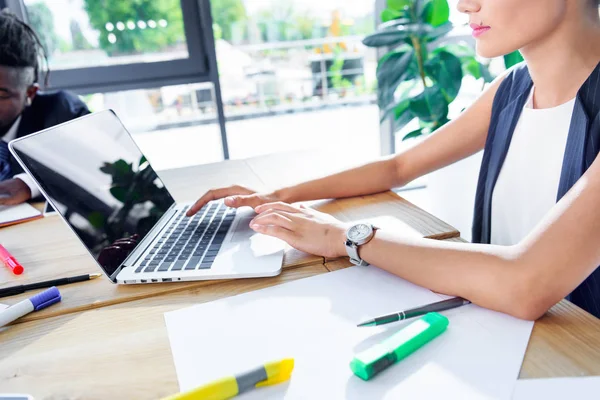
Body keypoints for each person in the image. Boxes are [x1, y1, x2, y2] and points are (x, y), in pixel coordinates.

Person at [186, 0, 600, 320]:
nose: (463, 5)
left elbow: (526, 283)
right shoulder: (512, 89)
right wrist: (278, 195)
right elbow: (398, 167)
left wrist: (346, 238)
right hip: (513, 336)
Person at [0, 10, 89, 206]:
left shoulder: (62, 112)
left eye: (1, 95)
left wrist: (28, 184)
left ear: (30, 93)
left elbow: (96, 167)